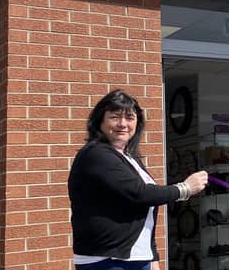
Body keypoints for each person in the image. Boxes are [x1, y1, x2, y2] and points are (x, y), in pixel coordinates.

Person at [68, 90, 208, 270]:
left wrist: (152, 256)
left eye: (129, 117)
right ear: (100, 121)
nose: (122, 124)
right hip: (106, 260)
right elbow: (140, 194)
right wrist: (185, 188)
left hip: (137, 258)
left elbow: (145, 210)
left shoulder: (129, 158)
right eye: (114, 117)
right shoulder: (96, 154)